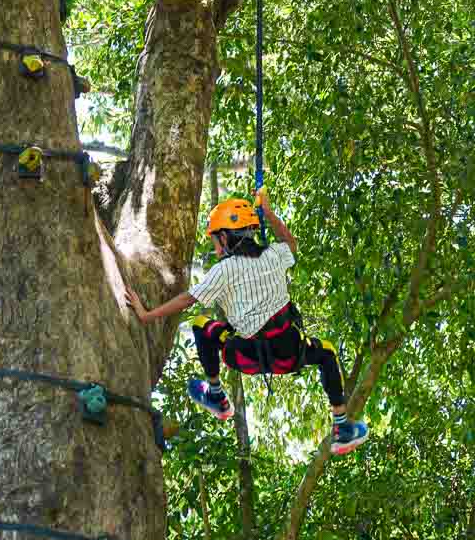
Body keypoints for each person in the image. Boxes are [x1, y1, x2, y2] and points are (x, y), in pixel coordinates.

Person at [125, 189, 368, 456]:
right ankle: (342, 427)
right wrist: (269, 214)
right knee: (326, 352)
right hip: (290, 354)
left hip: (244, 356)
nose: (216, 248)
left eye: (217, 240)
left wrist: (147, 314)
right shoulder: (274, 255)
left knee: (201, 324)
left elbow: (187, 299)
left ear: (226, 236)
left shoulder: (223, 271)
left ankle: (217, 395)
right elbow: (292, 245)